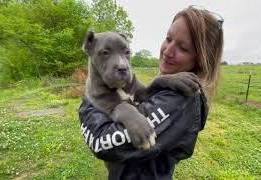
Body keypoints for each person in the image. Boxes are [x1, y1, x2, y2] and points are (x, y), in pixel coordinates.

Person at [78, 5, 224, 180]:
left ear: (201, 58)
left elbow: (104, 144)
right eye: (168, 38)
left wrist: (95, 105)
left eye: (183, 48)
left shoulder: (182, 99)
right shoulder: (165, 88)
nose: (167, 51)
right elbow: (143, 97)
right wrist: (161, 82)